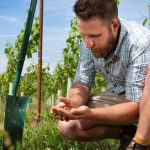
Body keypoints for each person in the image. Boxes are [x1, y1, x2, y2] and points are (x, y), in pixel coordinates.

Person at [51, 0, 150, 149]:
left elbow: (137, 106)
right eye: (83, 35)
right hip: (124, 95)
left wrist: (91, 114)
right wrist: (74, 103)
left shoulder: (139, 41)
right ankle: (127, 133)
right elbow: (82, 82)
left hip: (144, 99)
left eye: (94, 35)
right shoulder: (89, 41)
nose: (87, 43)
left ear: (114, 26)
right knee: (69, 126)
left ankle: (140, 143)